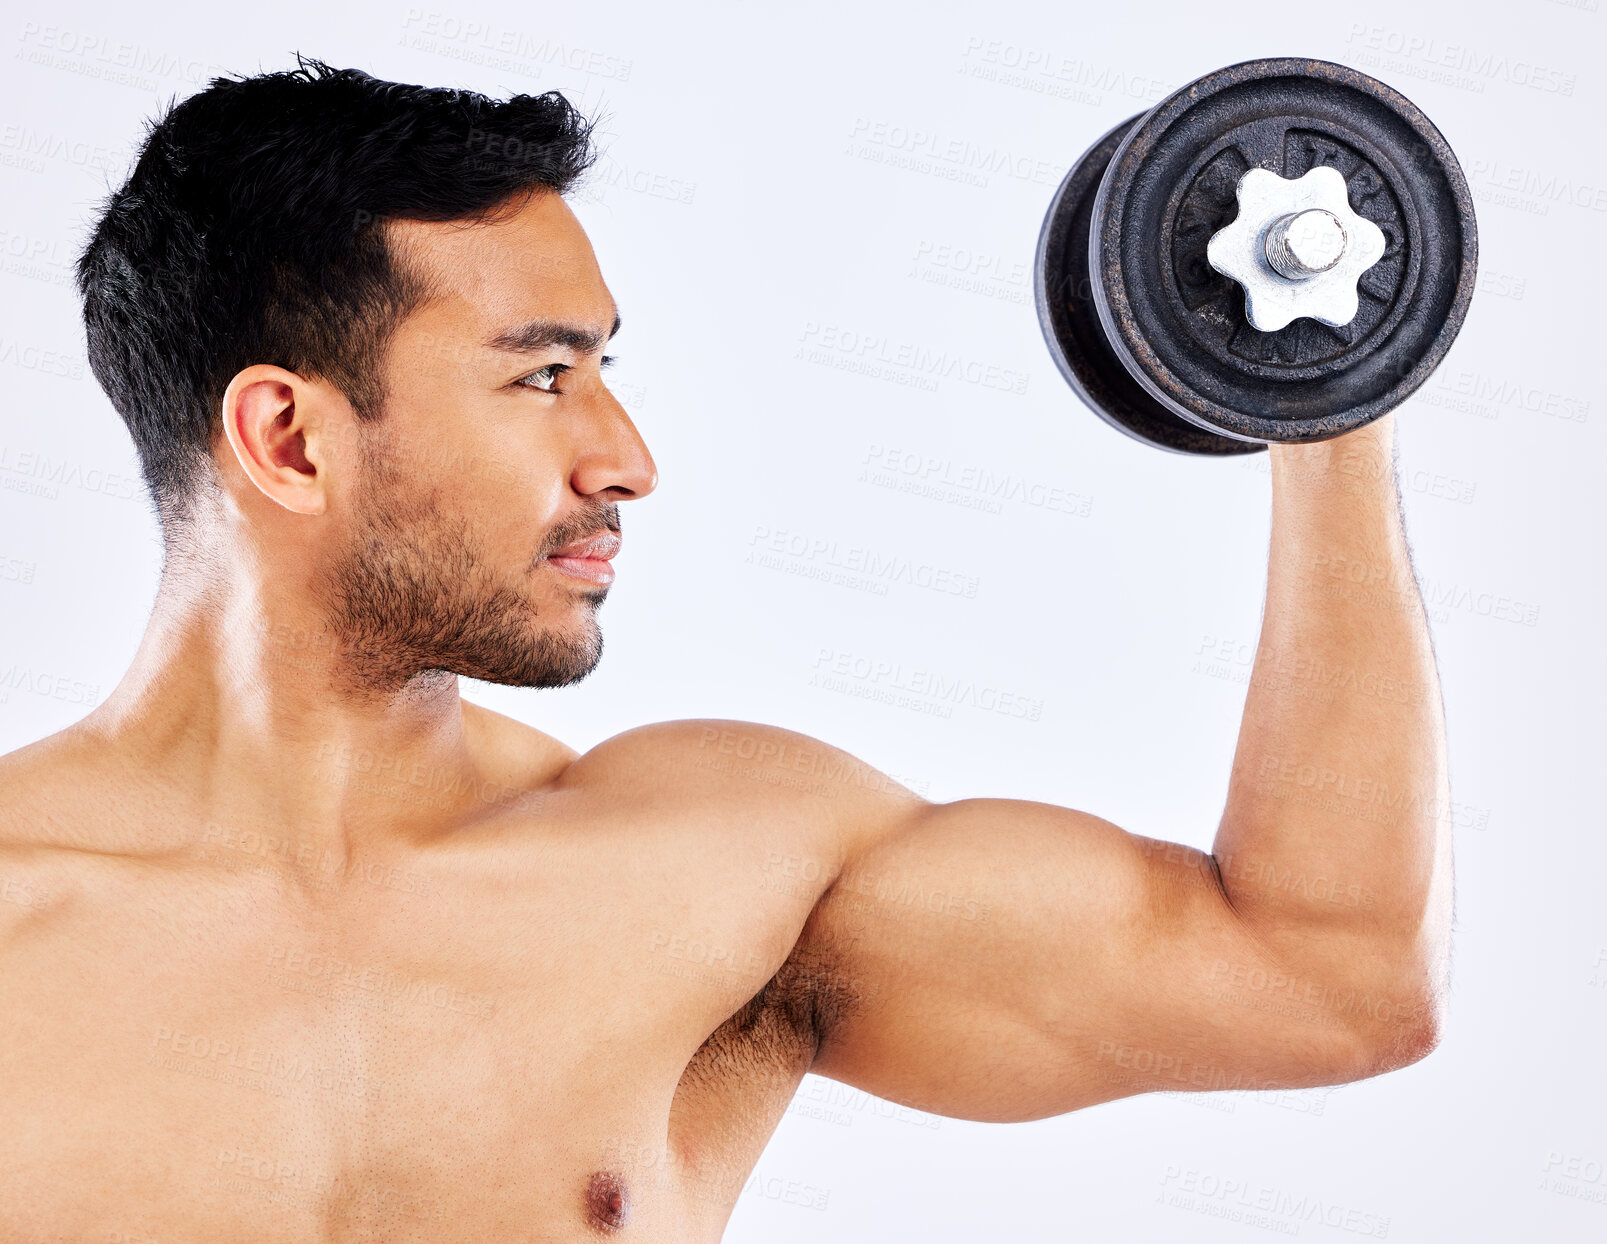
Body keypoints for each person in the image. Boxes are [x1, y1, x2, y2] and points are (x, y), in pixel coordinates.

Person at [0, 58, 1451, 1239]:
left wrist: (1325, 399)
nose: (625, 459)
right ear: (288, 439)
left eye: (604, 372)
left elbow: (1326, 979)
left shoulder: (723, 870)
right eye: (543, 375)